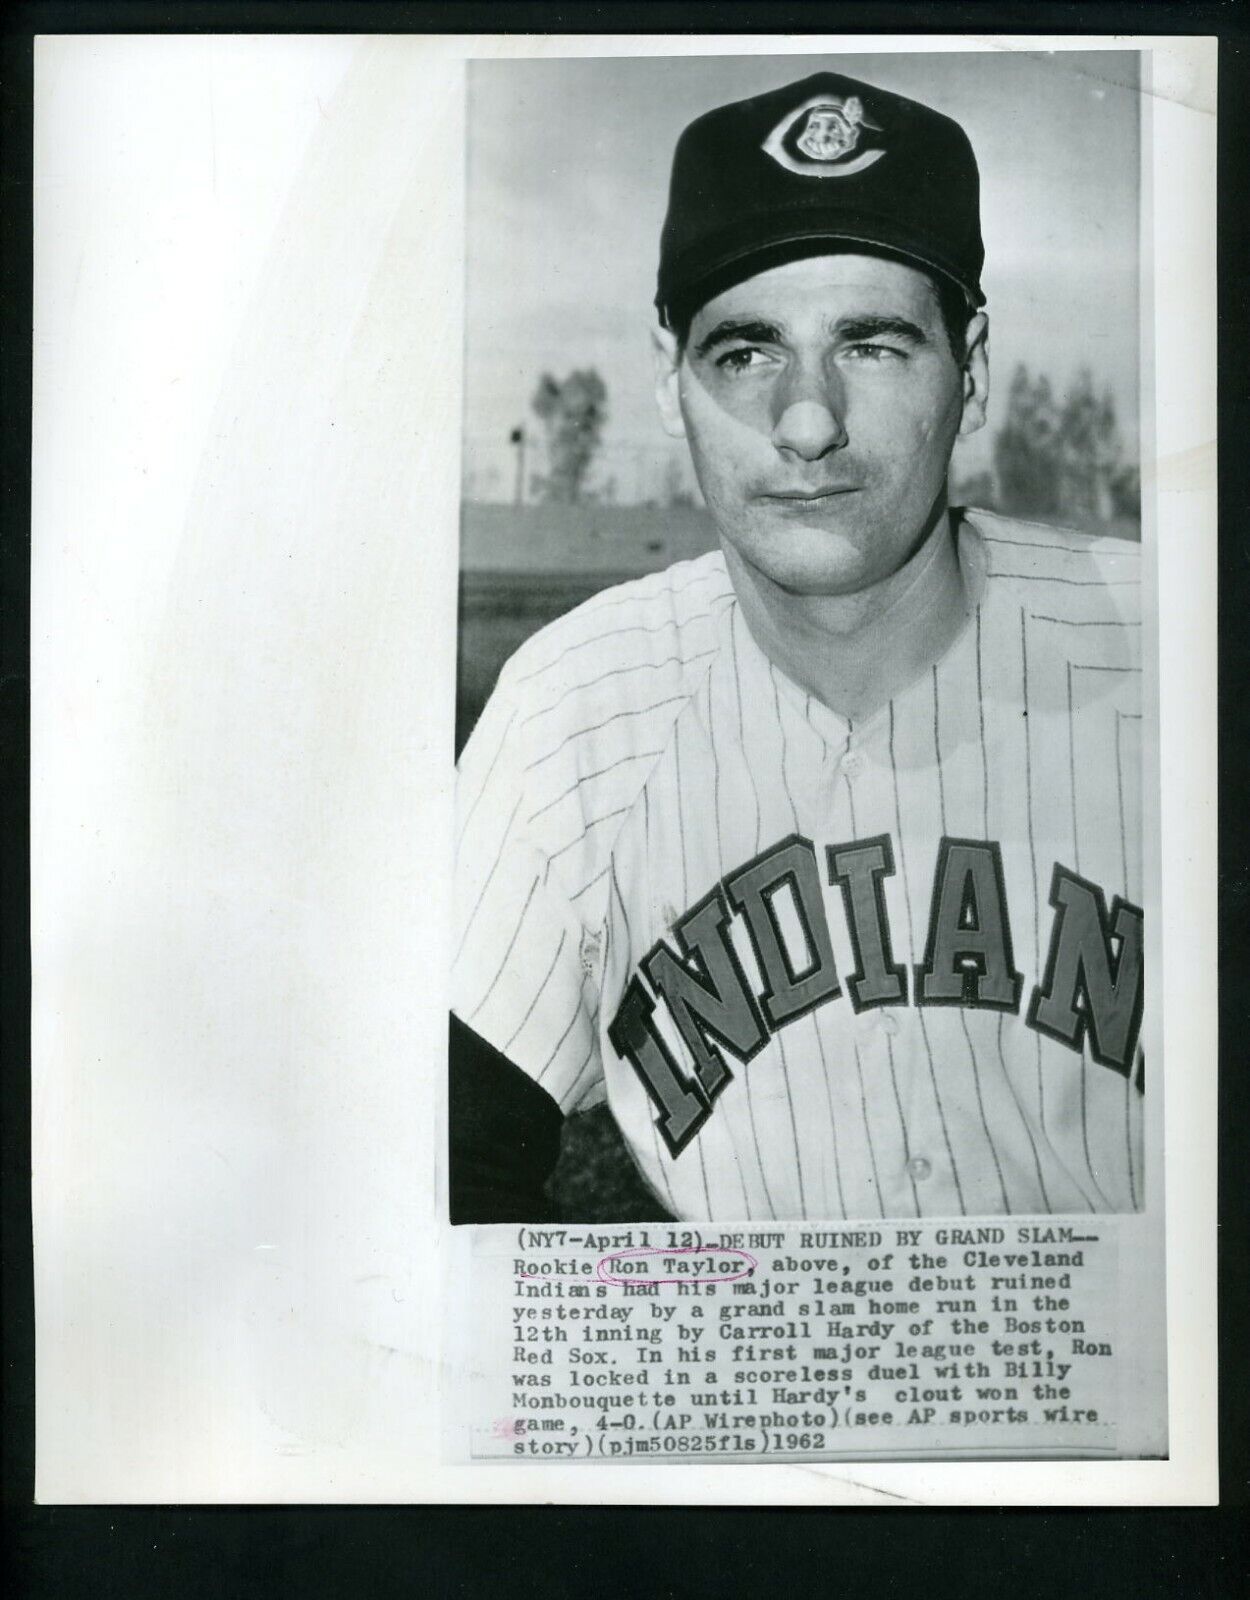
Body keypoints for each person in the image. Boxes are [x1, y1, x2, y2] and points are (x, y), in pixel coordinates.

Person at [449, 69, 1144, 1224]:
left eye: (870, 345)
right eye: (745, 352)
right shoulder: (569, 708)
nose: (807, 418)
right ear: (670, 384)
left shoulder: (1173, 654)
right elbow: (444, 1171)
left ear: (970, 373)